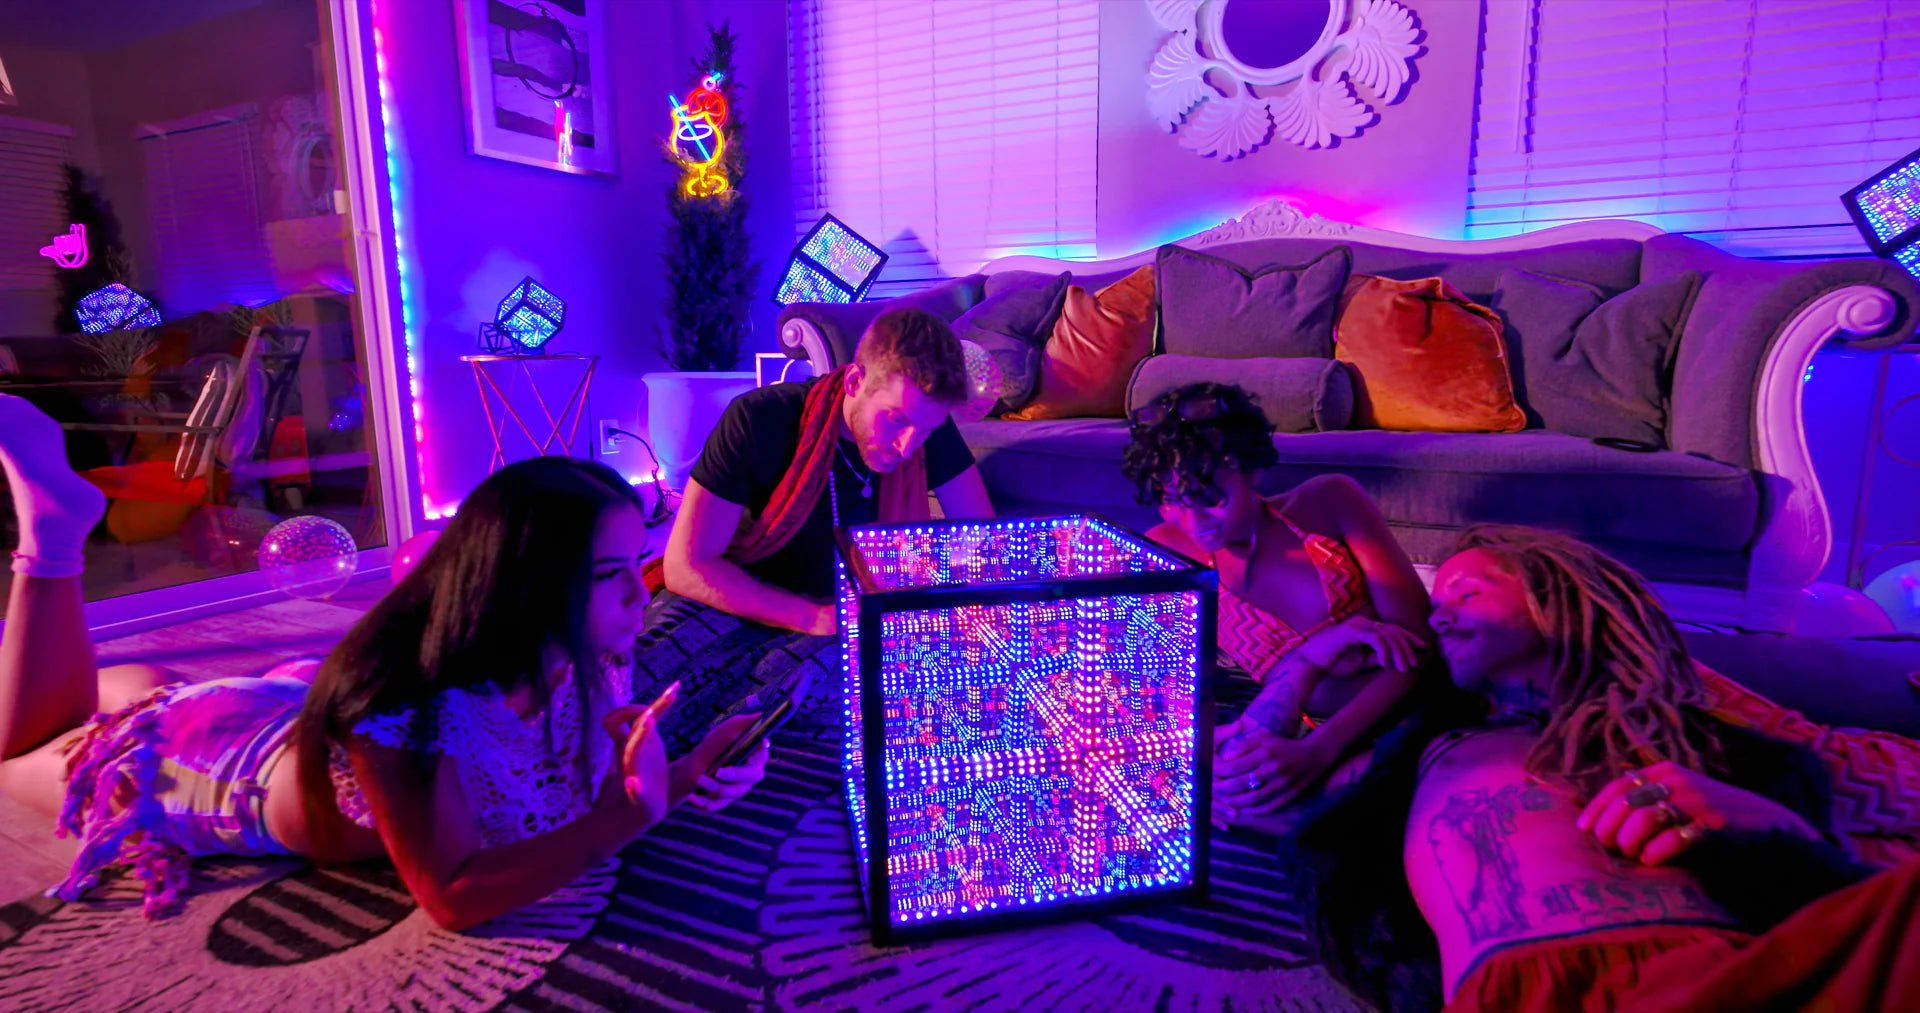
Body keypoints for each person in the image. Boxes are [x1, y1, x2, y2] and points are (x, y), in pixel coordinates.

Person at [0, 396, 768, 928]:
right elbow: (452, 894)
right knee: (20, 758)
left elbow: (579, 782)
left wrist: (697, 763)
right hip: (221, 765)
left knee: (132, 689)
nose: (643, 593)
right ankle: (53, 539)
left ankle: (137, 658)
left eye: (639, 561)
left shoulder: (589, 656)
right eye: (610, 576)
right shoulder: (415, 704)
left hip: (285, 716)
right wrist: (622, 818)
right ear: (532, 588)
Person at [1287, 524, 1920, 1012]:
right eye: (1436, 604)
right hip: (1520, 987)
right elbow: (1250, 793)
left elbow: (1832, 862)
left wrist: (1770, 823)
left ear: (1554, 600)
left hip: (1743, 973)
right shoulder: (1425, 746)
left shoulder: (1696, 735)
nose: (1438, 616)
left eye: (1467, 593)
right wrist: (1305, 664)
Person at [642, 308, 994, 734]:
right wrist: (809, 616)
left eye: (925, 429)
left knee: (816, 690)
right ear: (854, 382)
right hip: (735, 597)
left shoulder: (923, 431)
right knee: (640, 675)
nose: (907, 446)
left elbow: (984, 546)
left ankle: (707, 754)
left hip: (837, 624)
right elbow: (686, 566)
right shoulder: (758, 419)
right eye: (896, 419)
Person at [1120, 382, 1431, 829]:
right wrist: (1198, 764)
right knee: (1206, 793)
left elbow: (1422, 650)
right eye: (1170, 500)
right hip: (1294, 725)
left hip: (1402, 715)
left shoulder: (1329, 503)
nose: (1193, 523)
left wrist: (1319, 752)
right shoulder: (1168, 550)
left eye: (1211, 499)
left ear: (1252, 471)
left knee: (1339, 811)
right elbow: (1165, 688)